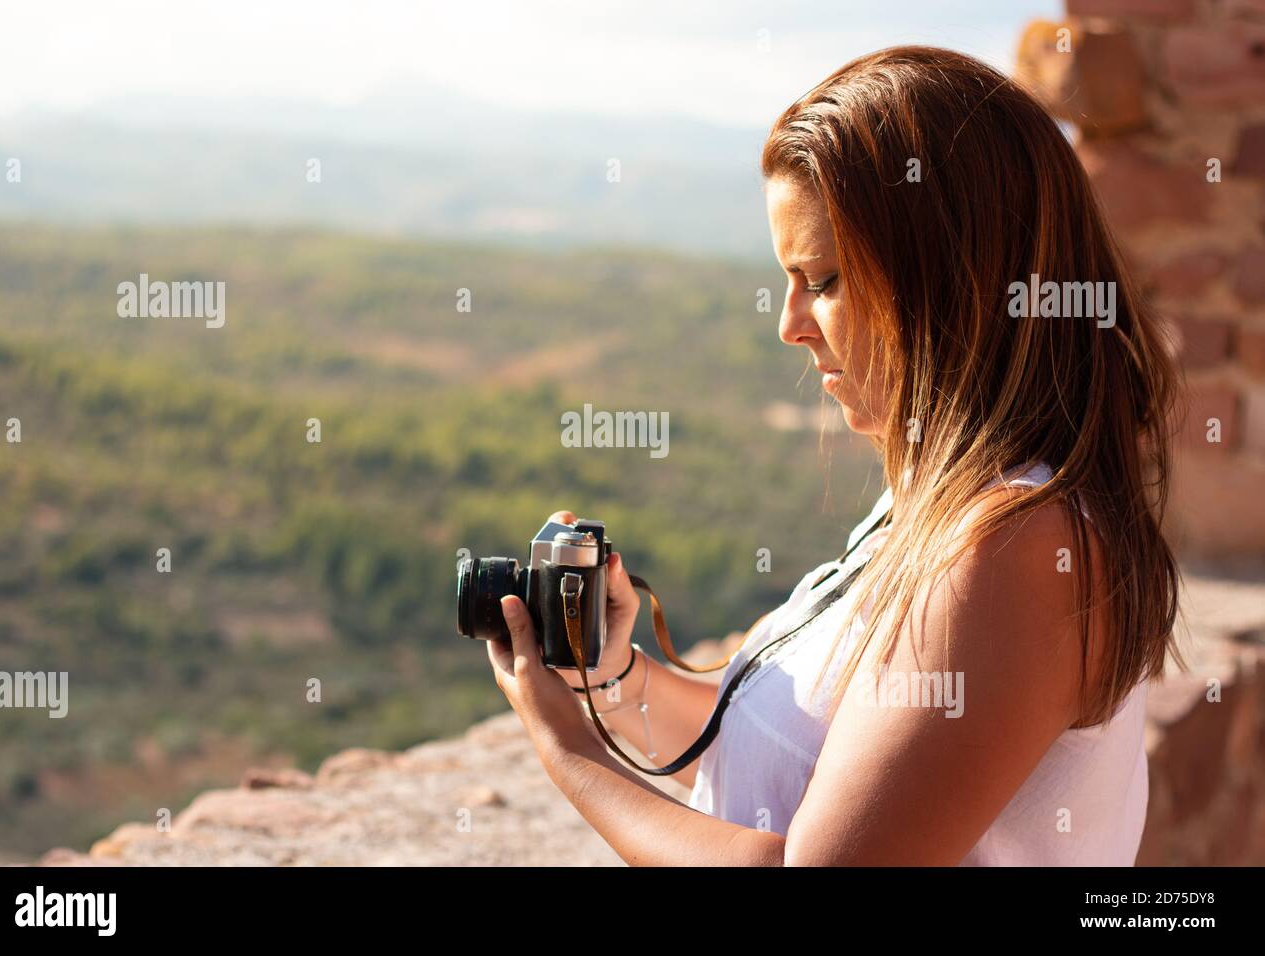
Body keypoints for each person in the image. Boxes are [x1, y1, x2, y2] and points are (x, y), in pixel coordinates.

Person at [486, 45, 1182, 866]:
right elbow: (785, 745)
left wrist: (569, 749)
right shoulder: (932, 509)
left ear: (949, 280)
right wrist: (610, 677)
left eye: (823, 279)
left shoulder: (1014, 547)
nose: (790, 323)